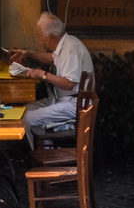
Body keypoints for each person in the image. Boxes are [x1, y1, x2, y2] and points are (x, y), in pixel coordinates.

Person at [11, 11, 93, 144]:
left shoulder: (70, 50)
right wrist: (29, 53)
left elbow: (69, 84)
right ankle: (46, 149)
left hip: (75, 104)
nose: (40, 40)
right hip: (63, 99)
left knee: (28, 118)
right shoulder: (66, 43)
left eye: (41, 36)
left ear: (52, 37)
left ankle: (45, 153)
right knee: (24, 111)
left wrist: (42, 74)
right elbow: (53, 58)